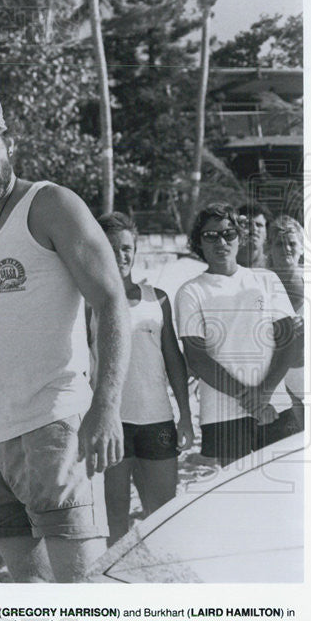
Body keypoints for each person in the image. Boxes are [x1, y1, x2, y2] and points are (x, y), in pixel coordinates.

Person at [0, 94, 129, 582]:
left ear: (9, 145)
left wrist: (105, 406)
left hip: (54, 424)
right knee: (28, 592)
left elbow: (111, 302)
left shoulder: (49, 203)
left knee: (81, 588)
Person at [175, 204, 301, 465]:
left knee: (285, 495)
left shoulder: (266, 279)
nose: (221, 241)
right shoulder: (190, 291)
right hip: (223, 415)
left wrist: (264, 394)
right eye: (211, 235)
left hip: (276, 406)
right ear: (199, 242)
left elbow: (287, 340)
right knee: (240, 500)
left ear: (239, 237)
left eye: (229, 234)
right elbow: (198, 358)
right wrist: (251, 399)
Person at [95, 213, 194, 545]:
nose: (120, 256)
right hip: (110, 424)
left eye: (126, 248)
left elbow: (174, 360)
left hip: (158, 420)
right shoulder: (87, 303)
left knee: (162, 517)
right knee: (114, 518)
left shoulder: (158, 298)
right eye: (111, 249)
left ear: (135, 251)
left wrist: (186, 416)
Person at [266, 214, 305, 426]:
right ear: (270, 249)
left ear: (302, 247)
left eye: (292, 243)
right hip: (276, 380)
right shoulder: (260, 284)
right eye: (280, 244)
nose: (287, 249)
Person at [236, 203, 271, 269]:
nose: (254, 228)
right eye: (248, 224)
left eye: (259, 225)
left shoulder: (274, 265)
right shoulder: (226, 264)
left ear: (267, 233)